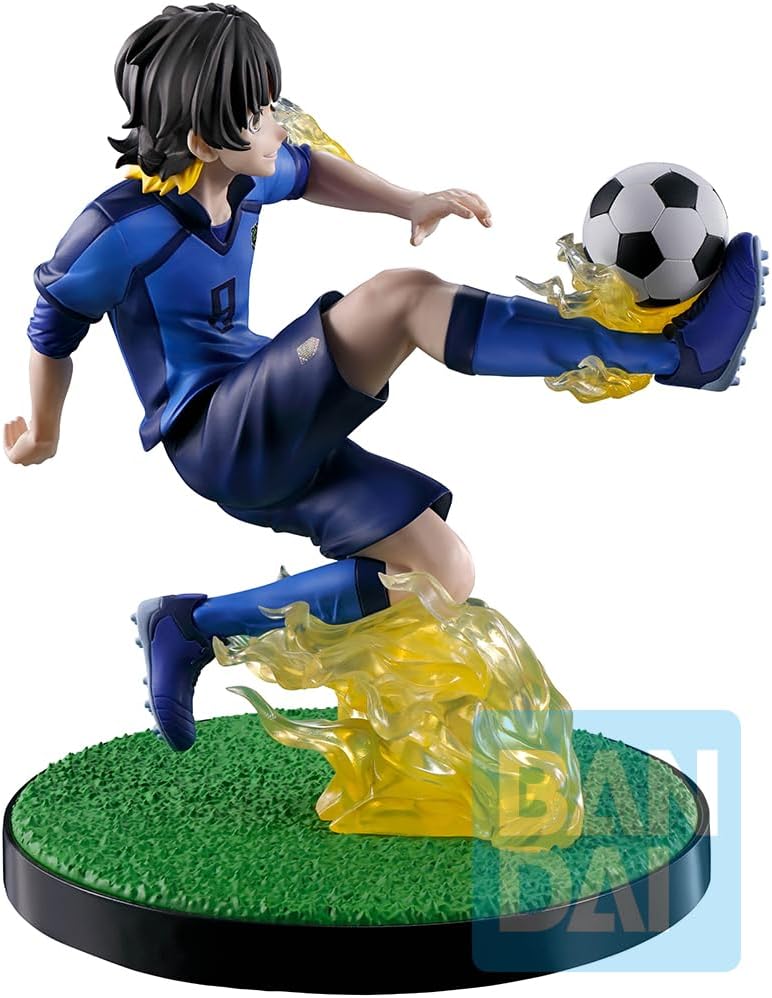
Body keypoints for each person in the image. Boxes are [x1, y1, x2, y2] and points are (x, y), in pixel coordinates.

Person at [4, 3, 764, 751]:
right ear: (203, 140)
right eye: (259, 113)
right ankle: (674, 357)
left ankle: (191, 627)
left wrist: (410, 201)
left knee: (441, 571)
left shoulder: (242, 176)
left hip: (271, 420)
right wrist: (43, 432)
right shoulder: (119, 228)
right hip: (216, 433)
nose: (280, 124)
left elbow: (312, 172)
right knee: (398, 299)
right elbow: (53, 325)